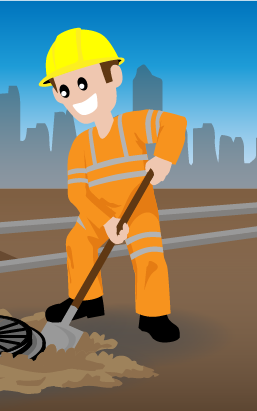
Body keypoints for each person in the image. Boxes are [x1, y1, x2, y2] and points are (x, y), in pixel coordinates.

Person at [39, 28, 187, 343]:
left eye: (83, 83)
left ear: (114, 77)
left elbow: (173, 124)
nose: (76, 97)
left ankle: (153, 315)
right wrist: (104, 220)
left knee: (148, 256)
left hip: (137, 209)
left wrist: (162, 159)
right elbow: (77, 191)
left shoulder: (130, 125)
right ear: (56, 95)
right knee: (77, 242)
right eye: (65, 90)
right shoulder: (80, 144)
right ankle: (87, 301)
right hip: (99, 213)